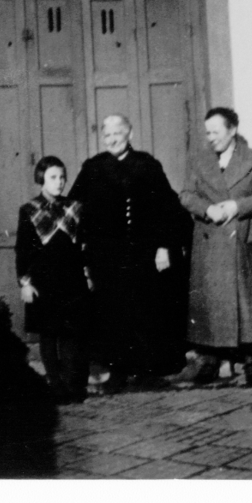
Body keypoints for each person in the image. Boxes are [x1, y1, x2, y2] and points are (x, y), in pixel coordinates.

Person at [68, 115, 185, 391]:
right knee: (111, 314)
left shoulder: (147, 165)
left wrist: (164, 247)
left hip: (143, 255)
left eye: (117, 133)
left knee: (144, 312)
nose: (111, 139)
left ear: (129, 132)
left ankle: (145, 372)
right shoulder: (93, 167)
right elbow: (74, 208)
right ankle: (117, 372)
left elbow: (169, 209)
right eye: (107, 135)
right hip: (106, 257)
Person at [179, 107, 252, 387]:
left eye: (216, 131)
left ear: (232, 130)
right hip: (211, 239)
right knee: (213, 304)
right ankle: (211, 360)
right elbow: (186, 194)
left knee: (250, 303)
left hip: (245, 237)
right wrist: (206, 209)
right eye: (207, 132)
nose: (210, 137)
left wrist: (236, 206)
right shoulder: (199, 160)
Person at [15, 156, 90, 404]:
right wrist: (25, 283)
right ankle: (56, 386)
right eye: (53, 178)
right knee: (48, 335)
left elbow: (84, 246)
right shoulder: (29, 210)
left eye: (62, 177)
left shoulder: (74, 208)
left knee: (71, 334)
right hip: (43, 283)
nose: (59, 183)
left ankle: (71, 385)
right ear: (41, 180)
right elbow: (22, 250)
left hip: (71, 281)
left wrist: (88, 275)